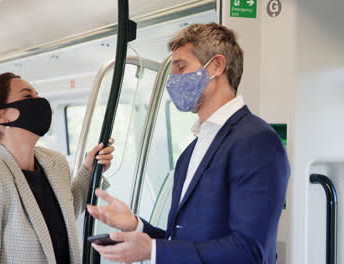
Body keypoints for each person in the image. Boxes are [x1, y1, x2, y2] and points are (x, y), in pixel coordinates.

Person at [87, 23, 290, 263]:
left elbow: (250, 250)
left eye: (181, 68)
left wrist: (154, 251)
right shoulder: (191, 152)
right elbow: (184, 242)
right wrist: (137, 226)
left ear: (216, 66)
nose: (173, 81)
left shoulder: (256, 141)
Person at [0, 72, 115, 264]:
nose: (39, 101)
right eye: (28, 96)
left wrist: (89, 171)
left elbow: (66, 211)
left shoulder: (55, 162)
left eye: (37, 94)